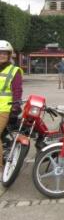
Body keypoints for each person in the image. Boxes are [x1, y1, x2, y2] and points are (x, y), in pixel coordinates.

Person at [0, 40, 23, 181]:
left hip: (4, 109)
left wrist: (15, 108)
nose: (1, 55)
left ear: (9, 55)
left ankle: (1, 169)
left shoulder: (14, 71)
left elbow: (17, 90)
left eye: (4, 53)